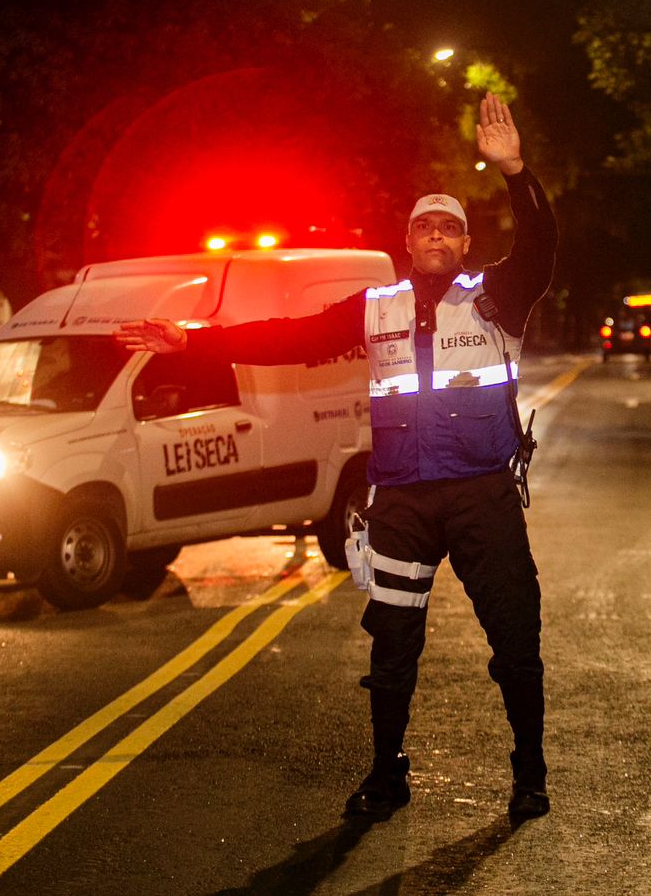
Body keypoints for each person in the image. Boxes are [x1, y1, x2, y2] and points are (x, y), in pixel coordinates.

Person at [115, 93, 557, 821]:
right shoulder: (376, 305)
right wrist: (194, 341)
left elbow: (541, 245)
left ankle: (529, 772)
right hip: (403, 501)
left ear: (466, 243)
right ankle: (387, 775)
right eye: (426, 227)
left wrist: (515, 171)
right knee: (391, 649)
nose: (438, 236)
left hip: (482, 494)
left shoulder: (498, 296)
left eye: (451, 227)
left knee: (516, 639)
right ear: (408, 241)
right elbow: (289, 338)